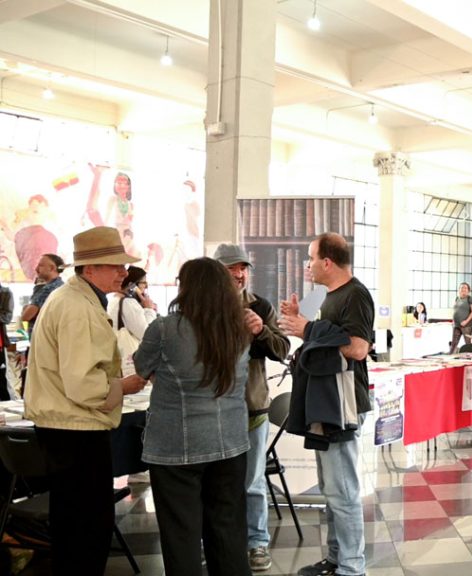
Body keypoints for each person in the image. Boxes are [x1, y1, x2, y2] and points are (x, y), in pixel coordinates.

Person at [24, 226, 146, 576]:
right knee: (87, 527)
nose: (123, 272)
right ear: (88, 269)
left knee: (76, 525)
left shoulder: (76, 299)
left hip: (67, 426)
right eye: (114, 265)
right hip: (75, 428)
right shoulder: (77, 306)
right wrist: (123, 385)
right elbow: (82, 383)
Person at [133, 257, 251, 575]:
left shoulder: (165, 328)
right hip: (230, 443)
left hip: (177, 449)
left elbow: (141, 366)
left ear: (186, 288)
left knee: (181, 536)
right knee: (228, 534)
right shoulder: (239, 327)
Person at [278, 233, 374, 576]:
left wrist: (308, 328)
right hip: (324, 401)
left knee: (342, 489)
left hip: (343, 403)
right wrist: (303, 326)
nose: (308, 265)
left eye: (311, 258)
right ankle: (336, 559)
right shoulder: (330, 296)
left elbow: (358, 348)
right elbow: (324, 339)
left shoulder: (356, 295)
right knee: (331, 489)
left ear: (327, 262)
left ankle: (351, 567)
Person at [214, 244, 292, 573]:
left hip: (252, 407)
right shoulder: (205, 306)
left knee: (252, 481)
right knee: (217, 483)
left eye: (243, 267)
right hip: (213, 410)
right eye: (232, 267)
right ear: (218, 271)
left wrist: (260, 330)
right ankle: (217, 542)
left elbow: (282, 348)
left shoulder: (260, 305)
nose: (239, 273)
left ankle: (257, 542)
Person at [107, 265, 158, 340]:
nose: (146, 287)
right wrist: (149, 309)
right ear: (132, 286)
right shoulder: (128, 302)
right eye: (143, 283)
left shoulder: (115, 298)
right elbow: (147, 334)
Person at [19, 252, 64, 335]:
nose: (36, 269)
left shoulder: (49, 289)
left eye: (40, 265)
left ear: (51, 268)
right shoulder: (61, 286)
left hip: (42, 338)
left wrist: (26, 308)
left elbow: (26, 316)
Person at [449, 282, 472, 353]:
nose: (463, 289)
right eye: (461, 287)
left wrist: (466, 321)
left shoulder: (470, 299)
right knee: (454, 343)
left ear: (468, 290)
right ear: (459, 289)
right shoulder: (457, 298)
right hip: (456, 324)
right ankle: (450, 357)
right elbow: (456, 310)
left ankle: (471, 358)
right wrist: (453, 321)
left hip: (467, 325)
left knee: (467, 343)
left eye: (465, 288)